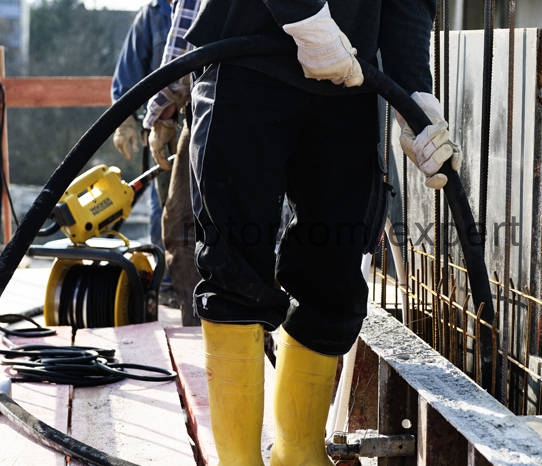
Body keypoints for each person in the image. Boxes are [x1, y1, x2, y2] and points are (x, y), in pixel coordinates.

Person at [184, 1, 461, 464]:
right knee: (235, 268)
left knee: (334, 268)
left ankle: (298, 454)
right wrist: (306, 19)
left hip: (346, 77)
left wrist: (416, 96)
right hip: (247, 61)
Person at [143, 0, 202, 326]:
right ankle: (257, 328)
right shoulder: (148, 16)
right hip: (284, 111)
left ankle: (204, 331)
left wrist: (161, 114)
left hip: (214, 112)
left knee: (181, 226)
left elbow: (182, 49)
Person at [111, 0, 173, 289]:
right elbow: (128, 75)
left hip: (209, 121)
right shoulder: (153, 13)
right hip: (165, 131)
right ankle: (167, 283)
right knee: (165, 205)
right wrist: (124, 120)